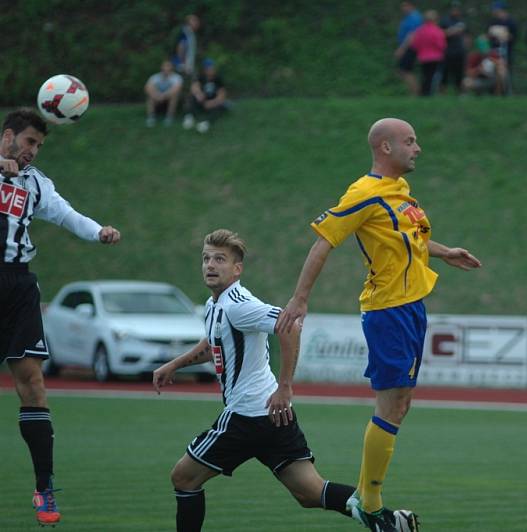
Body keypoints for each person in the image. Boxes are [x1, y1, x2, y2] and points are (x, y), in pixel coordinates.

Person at [275, 118, 481, 529]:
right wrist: (300, 298)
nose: (417, 148)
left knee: (401, 404)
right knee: (392, 404)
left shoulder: (400, 191)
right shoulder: (364, 192)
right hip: (389, 311)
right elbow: (324, 240)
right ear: (385, 148)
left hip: (410, 309)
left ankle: (370, 500)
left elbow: (408, 240)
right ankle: (369, 504)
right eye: (410, 141)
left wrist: (442, 252)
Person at [153, 229, 418, 532]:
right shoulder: (216, 305)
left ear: (237, 269)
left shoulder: (238, 304)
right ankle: (390, 521)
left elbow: (289, 326)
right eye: (206, 259)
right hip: (272, 416)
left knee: (183, 478)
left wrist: (285, 386)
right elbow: (214, 344)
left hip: (247, 416)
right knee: (310, 492)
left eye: (220, 260)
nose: (210, 265)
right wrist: (174, 364)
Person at [0, 108, 121, 527]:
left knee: (33, 383)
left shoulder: (36, 184)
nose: (33, 151)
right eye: (29, 142)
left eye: (39, 145)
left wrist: (97, 231)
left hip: (17, 288)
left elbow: (67, 214)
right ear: (8, 135)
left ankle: (44, 486)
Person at [183, 59, 228, 133]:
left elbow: (222, 95)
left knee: (220, 106)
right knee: (192, 98)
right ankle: (189, 117)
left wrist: (212, 102)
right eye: (209, 68)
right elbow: (194, 87)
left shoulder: (218, 78)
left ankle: (206, 123)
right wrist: (199, 94)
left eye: (212, 68)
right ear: (205, 69)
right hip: (203, 100)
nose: (211, 70)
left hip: (213, 100)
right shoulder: (201, 77)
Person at [411, 10, 447, 96]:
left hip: (423, 57)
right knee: (434, 76)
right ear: (435, 19)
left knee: (425, 76)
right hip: (436, 57)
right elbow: (442, 46)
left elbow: (415, 45)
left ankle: (424, 92)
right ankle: (432, 92)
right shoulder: (437, 31)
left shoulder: (420, 31)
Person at [487, 1, 519, 93]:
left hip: (507, 51)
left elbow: (514, 36)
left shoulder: (511, 22)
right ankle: (495, 91)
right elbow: (489, 35)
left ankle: (507, 91)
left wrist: (505, 36)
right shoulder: (493, 21)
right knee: (493, 71)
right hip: (494, 50)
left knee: (506, 71)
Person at [394, 2, 424, 96]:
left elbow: (412, 35)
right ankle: (415, 91)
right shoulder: (409, 17)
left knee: (405, 71)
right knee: (404, 71)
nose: (403, 8)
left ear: (411, 5)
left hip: (410, 47)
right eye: (402, 6)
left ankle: (416, 92)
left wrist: (401, 49)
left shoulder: (414, 17)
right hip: (407, 47)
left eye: (405, 6)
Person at [144, 59, 184, 127]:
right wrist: (156, 95)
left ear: (172, 68)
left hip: (168, 100)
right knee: (150, 96)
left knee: (174, 96)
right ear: (161, 67)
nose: (166, 68)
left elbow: (176, 89)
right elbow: (147, 88)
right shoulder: (155, 77)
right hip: (157, 99)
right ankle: (151, 117)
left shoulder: (176, 77)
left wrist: (163, 96)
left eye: (168, 66)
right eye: (165, 66)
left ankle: (169, 117)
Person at [439, 1, 468, 94]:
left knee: (459, 74)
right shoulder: (445, 20)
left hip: (460, 51)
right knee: (444, 74)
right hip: (447, 52)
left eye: (457, 8)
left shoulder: (462, 21)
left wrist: (466, 43)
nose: (455, 10)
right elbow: (440, 34)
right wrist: (453, 31)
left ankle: (460, 94)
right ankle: (442, 94)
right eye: (454, 8)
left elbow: (467, 36)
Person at [173, 14, 201, 79]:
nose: (197, 23)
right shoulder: (185, 32)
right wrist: (182, 63)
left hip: (187, 64)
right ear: (188, 22)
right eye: (194, 20)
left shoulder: (191, 33)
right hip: (182, 65)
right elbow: (181, 46)